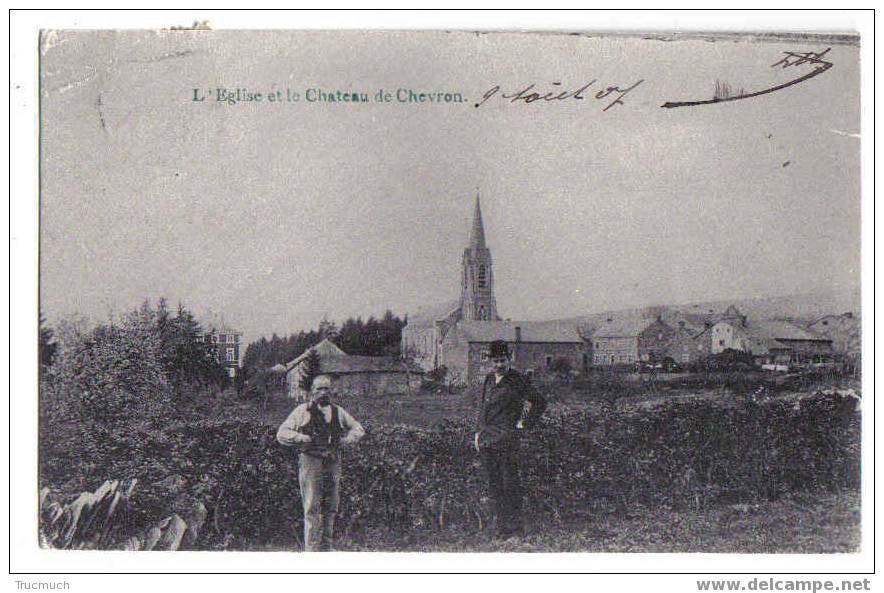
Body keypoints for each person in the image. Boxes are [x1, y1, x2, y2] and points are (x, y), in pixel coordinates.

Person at [276, 374, 365, 551]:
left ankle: (327, 546)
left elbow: (359, 429)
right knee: (311, 506)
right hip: (310, 461)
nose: (323, 393)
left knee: (331, 504)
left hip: (332, 462)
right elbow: (282, 434)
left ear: (332, 392)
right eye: (319, 389)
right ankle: (312, 549)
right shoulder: (302, 411)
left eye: (327, 389)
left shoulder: (338, 411)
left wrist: (346, 440)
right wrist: (300, 437)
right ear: (311, 392)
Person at [474, 339, 547, 539]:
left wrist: (524, 423)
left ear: (509, 359)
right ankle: (500, 527)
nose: (499, 365)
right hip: (488, 440)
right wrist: (478, 433)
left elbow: (539, 402)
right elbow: (483, 408)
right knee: (494, 485)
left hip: (507, 440)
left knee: (510, 485)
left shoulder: (518, 380)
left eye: (503, 361)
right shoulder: (489, 380)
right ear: (490, 361)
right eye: (496, 361)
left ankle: (515, 528)